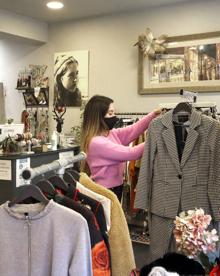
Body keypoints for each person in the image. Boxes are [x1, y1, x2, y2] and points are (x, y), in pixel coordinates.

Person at [80, 95, 161, 201]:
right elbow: (131, 153)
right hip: (105, 190)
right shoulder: (96, 142)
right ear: (98, 117)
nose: (114, 116)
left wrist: (154, 115)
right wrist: (157, 138)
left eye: (114, 113)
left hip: (114, 187)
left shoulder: (110, 134)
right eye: (110, 113)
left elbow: (133, 129)